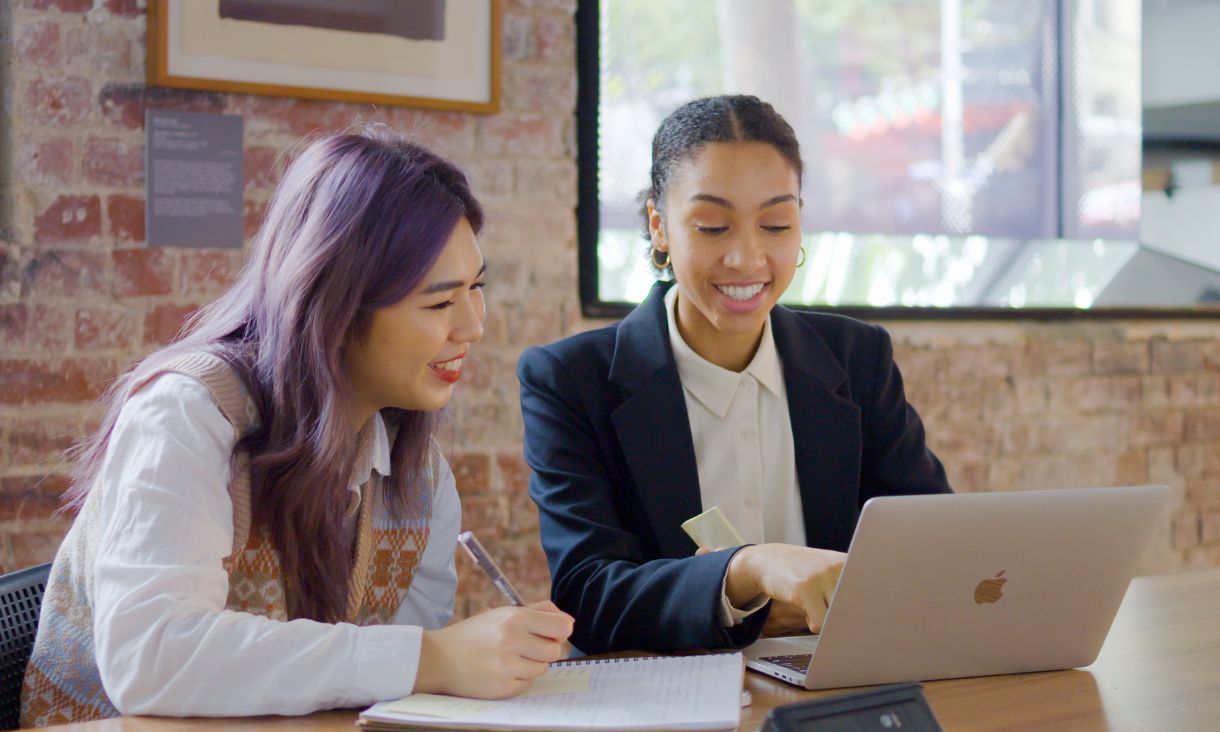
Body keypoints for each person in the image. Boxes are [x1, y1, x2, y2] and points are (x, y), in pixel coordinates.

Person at [21, 125, 573, 728]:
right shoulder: (189, 414)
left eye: (477, 288)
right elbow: (149, 657)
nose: (472, 326)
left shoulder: (420, 478)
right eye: (439, 303)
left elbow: (393, 700)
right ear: (333, 303)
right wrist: (431, 657)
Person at [518, 95, 951, 656]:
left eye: (776, 224)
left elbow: (930, 540)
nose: (748, 258)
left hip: (834, 681)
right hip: (671, 699)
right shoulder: (572, 381)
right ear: (659, 225)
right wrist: (745, 571)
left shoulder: (856, 357)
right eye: (713, 225)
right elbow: (589, 594)